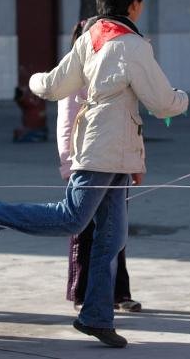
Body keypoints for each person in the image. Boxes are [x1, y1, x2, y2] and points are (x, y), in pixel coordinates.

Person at [0, 0, 187, 348]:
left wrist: (32, 80)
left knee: (112, 237)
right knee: (71, 218)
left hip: (114, 152)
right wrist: (186, 99)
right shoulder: (132, 45)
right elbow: (162, 103)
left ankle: (96, 316)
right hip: (103, 150)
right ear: (135, 5)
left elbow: (52, 86)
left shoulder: (93, 35)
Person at [60, 18, 141, 313]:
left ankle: (118, 293)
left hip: (117, 163)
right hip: (86, 164)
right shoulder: (74, 73)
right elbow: (66, 122)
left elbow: (131, 120)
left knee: (115, 233)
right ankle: (81, 292)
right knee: (82, 229)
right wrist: (68, 164)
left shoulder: (117, 71)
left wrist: (134, 159)